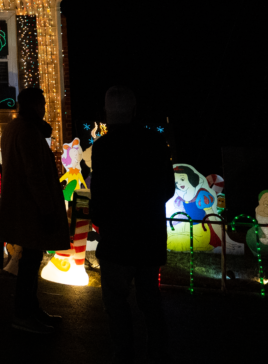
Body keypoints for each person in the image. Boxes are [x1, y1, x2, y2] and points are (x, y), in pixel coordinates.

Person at [92, 86, 173, 363]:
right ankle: (158, 351)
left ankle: (123, 353)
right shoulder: (155, 143)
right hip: (149, 236)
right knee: (150, 299)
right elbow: (169, 189)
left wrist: (100, 219)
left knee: (115, 301)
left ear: (106, 114)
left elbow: (100, 194)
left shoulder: (102, 147)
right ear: (135, 111)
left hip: (117, 240)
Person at [0, 86, 70, 334]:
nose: (45, 108)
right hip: (30, 210)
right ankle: (24, 313)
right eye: (43, 103)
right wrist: (47, 210)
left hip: (21, 207)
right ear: (36, 106)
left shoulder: (16, 128)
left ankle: (30, 309)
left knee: (30, 261)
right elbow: (34, 175)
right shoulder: (27, 131)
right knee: (30, 262)